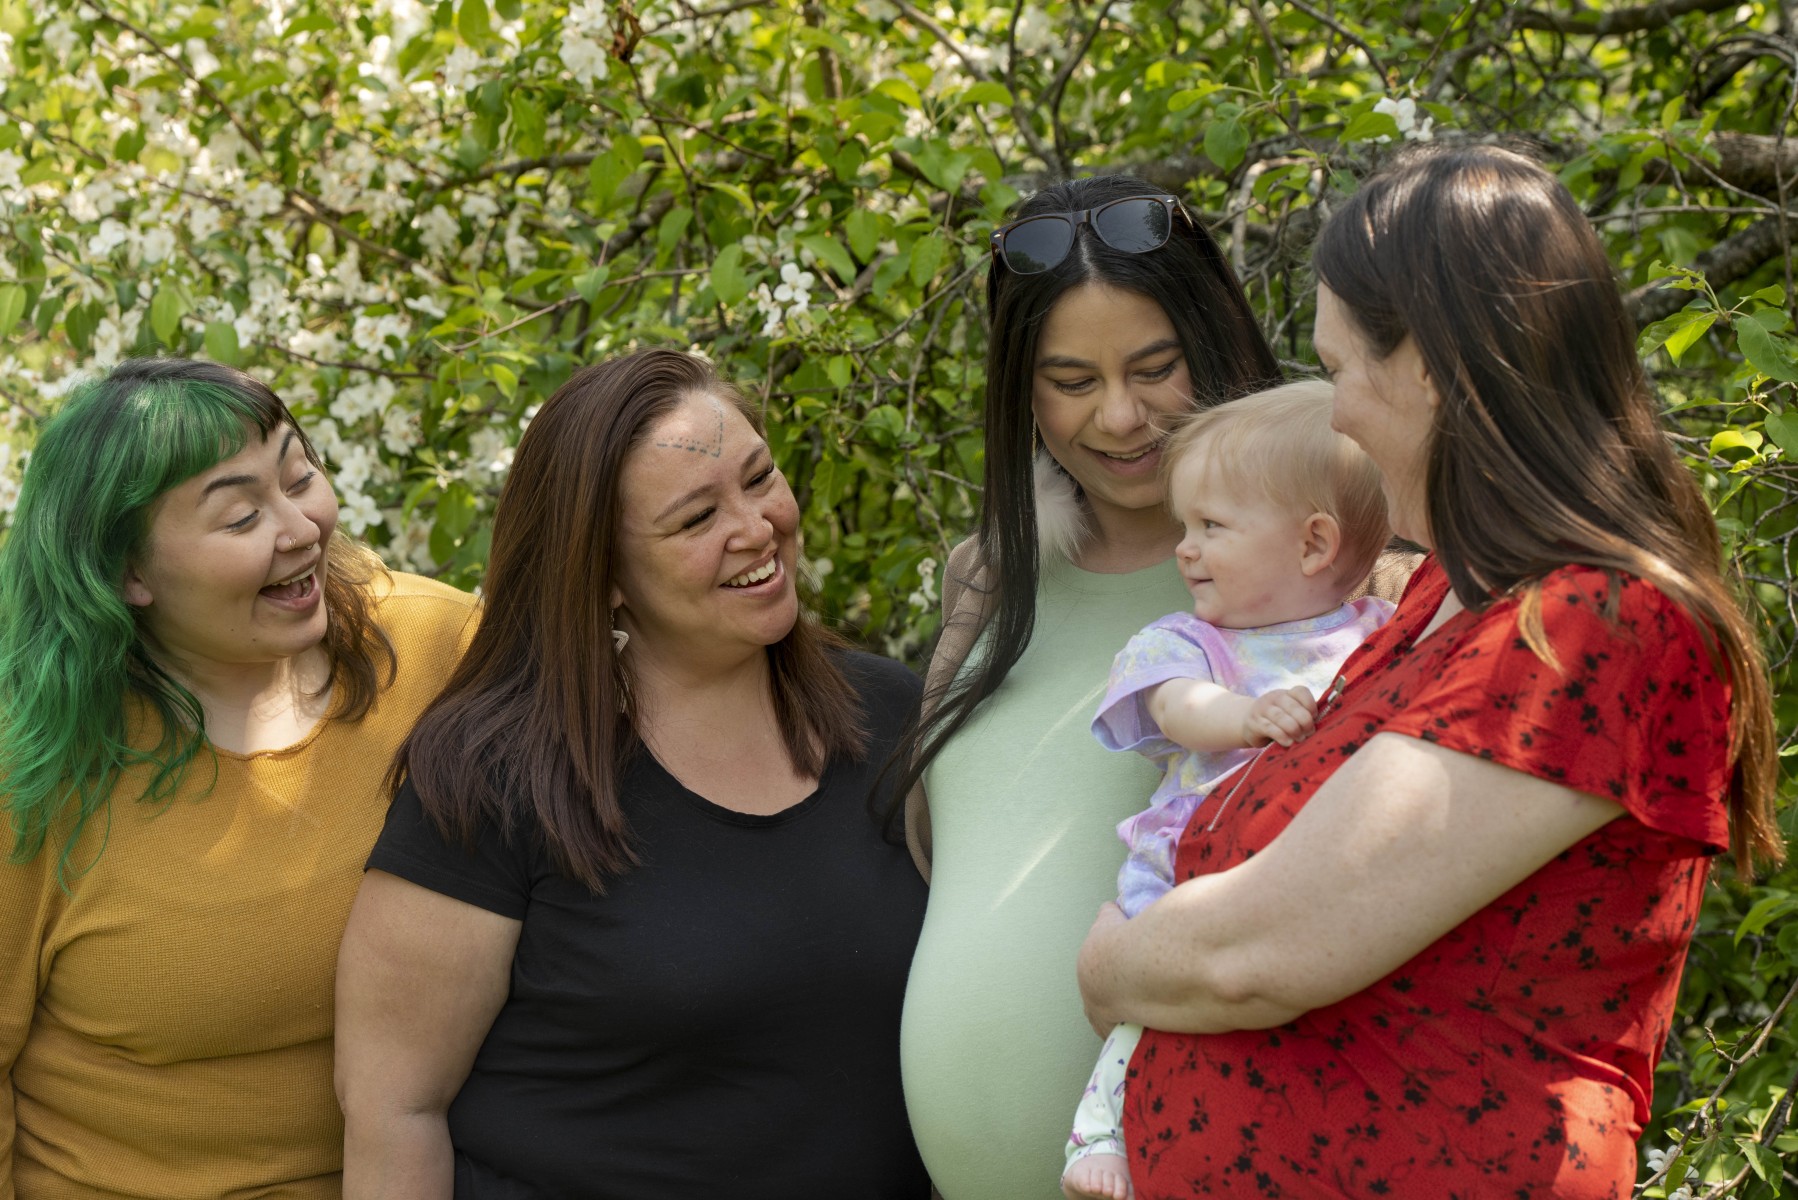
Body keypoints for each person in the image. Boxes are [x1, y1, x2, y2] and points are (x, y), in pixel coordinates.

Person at [1075, 144, 1782, 1199]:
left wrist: (1109, 966)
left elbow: (1255, 954)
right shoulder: (1431, 603)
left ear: (1435, 367)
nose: (1338, 413)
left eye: (1342, 366)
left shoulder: (1593, 627)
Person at [897, 174, 1417, 1199]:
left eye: (1153, 366)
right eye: (1070, 380)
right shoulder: (988, 579)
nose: (1121, 416)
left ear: (1211, 342)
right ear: (1020, 389)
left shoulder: (1359, 579)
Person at [334, 348, 930, 1199]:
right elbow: (394, 1108)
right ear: (605, 573)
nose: (756, 528)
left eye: (760, 479)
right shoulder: (494, 778)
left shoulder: (894, 718)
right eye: (695, 521)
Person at [0, 358, 478, 1198]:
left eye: (300, 477)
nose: (300, 528)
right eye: (242, 516)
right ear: (127, 574)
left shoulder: (441, 650)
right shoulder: (31, 777)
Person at [1060, 381, 1393, 1200]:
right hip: (1183, 869)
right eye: (1185, 525)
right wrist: (1246, 717)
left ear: (1315, 544)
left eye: (1211, 527)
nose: (1184, 548)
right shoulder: (1187, 640)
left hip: (1318, 883)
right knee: (1151, 1004)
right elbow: (1177, 707)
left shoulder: (1379, 629)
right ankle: (1101, 1130)